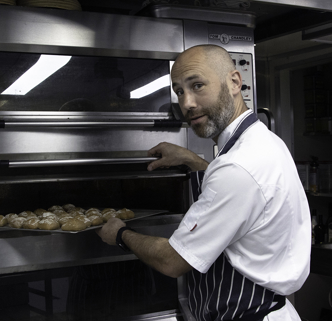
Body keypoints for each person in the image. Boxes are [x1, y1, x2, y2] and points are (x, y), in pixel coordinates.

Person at [96, 44, 311, 321]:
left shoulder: (238, 165)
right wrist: (191, 159)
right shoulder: (262, 140)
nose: (187, 103)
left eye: (197, 85)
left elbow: (172, 260)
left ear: (234, 82)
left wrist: (120, 234)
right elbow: (240, 192)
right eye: (179, 91)